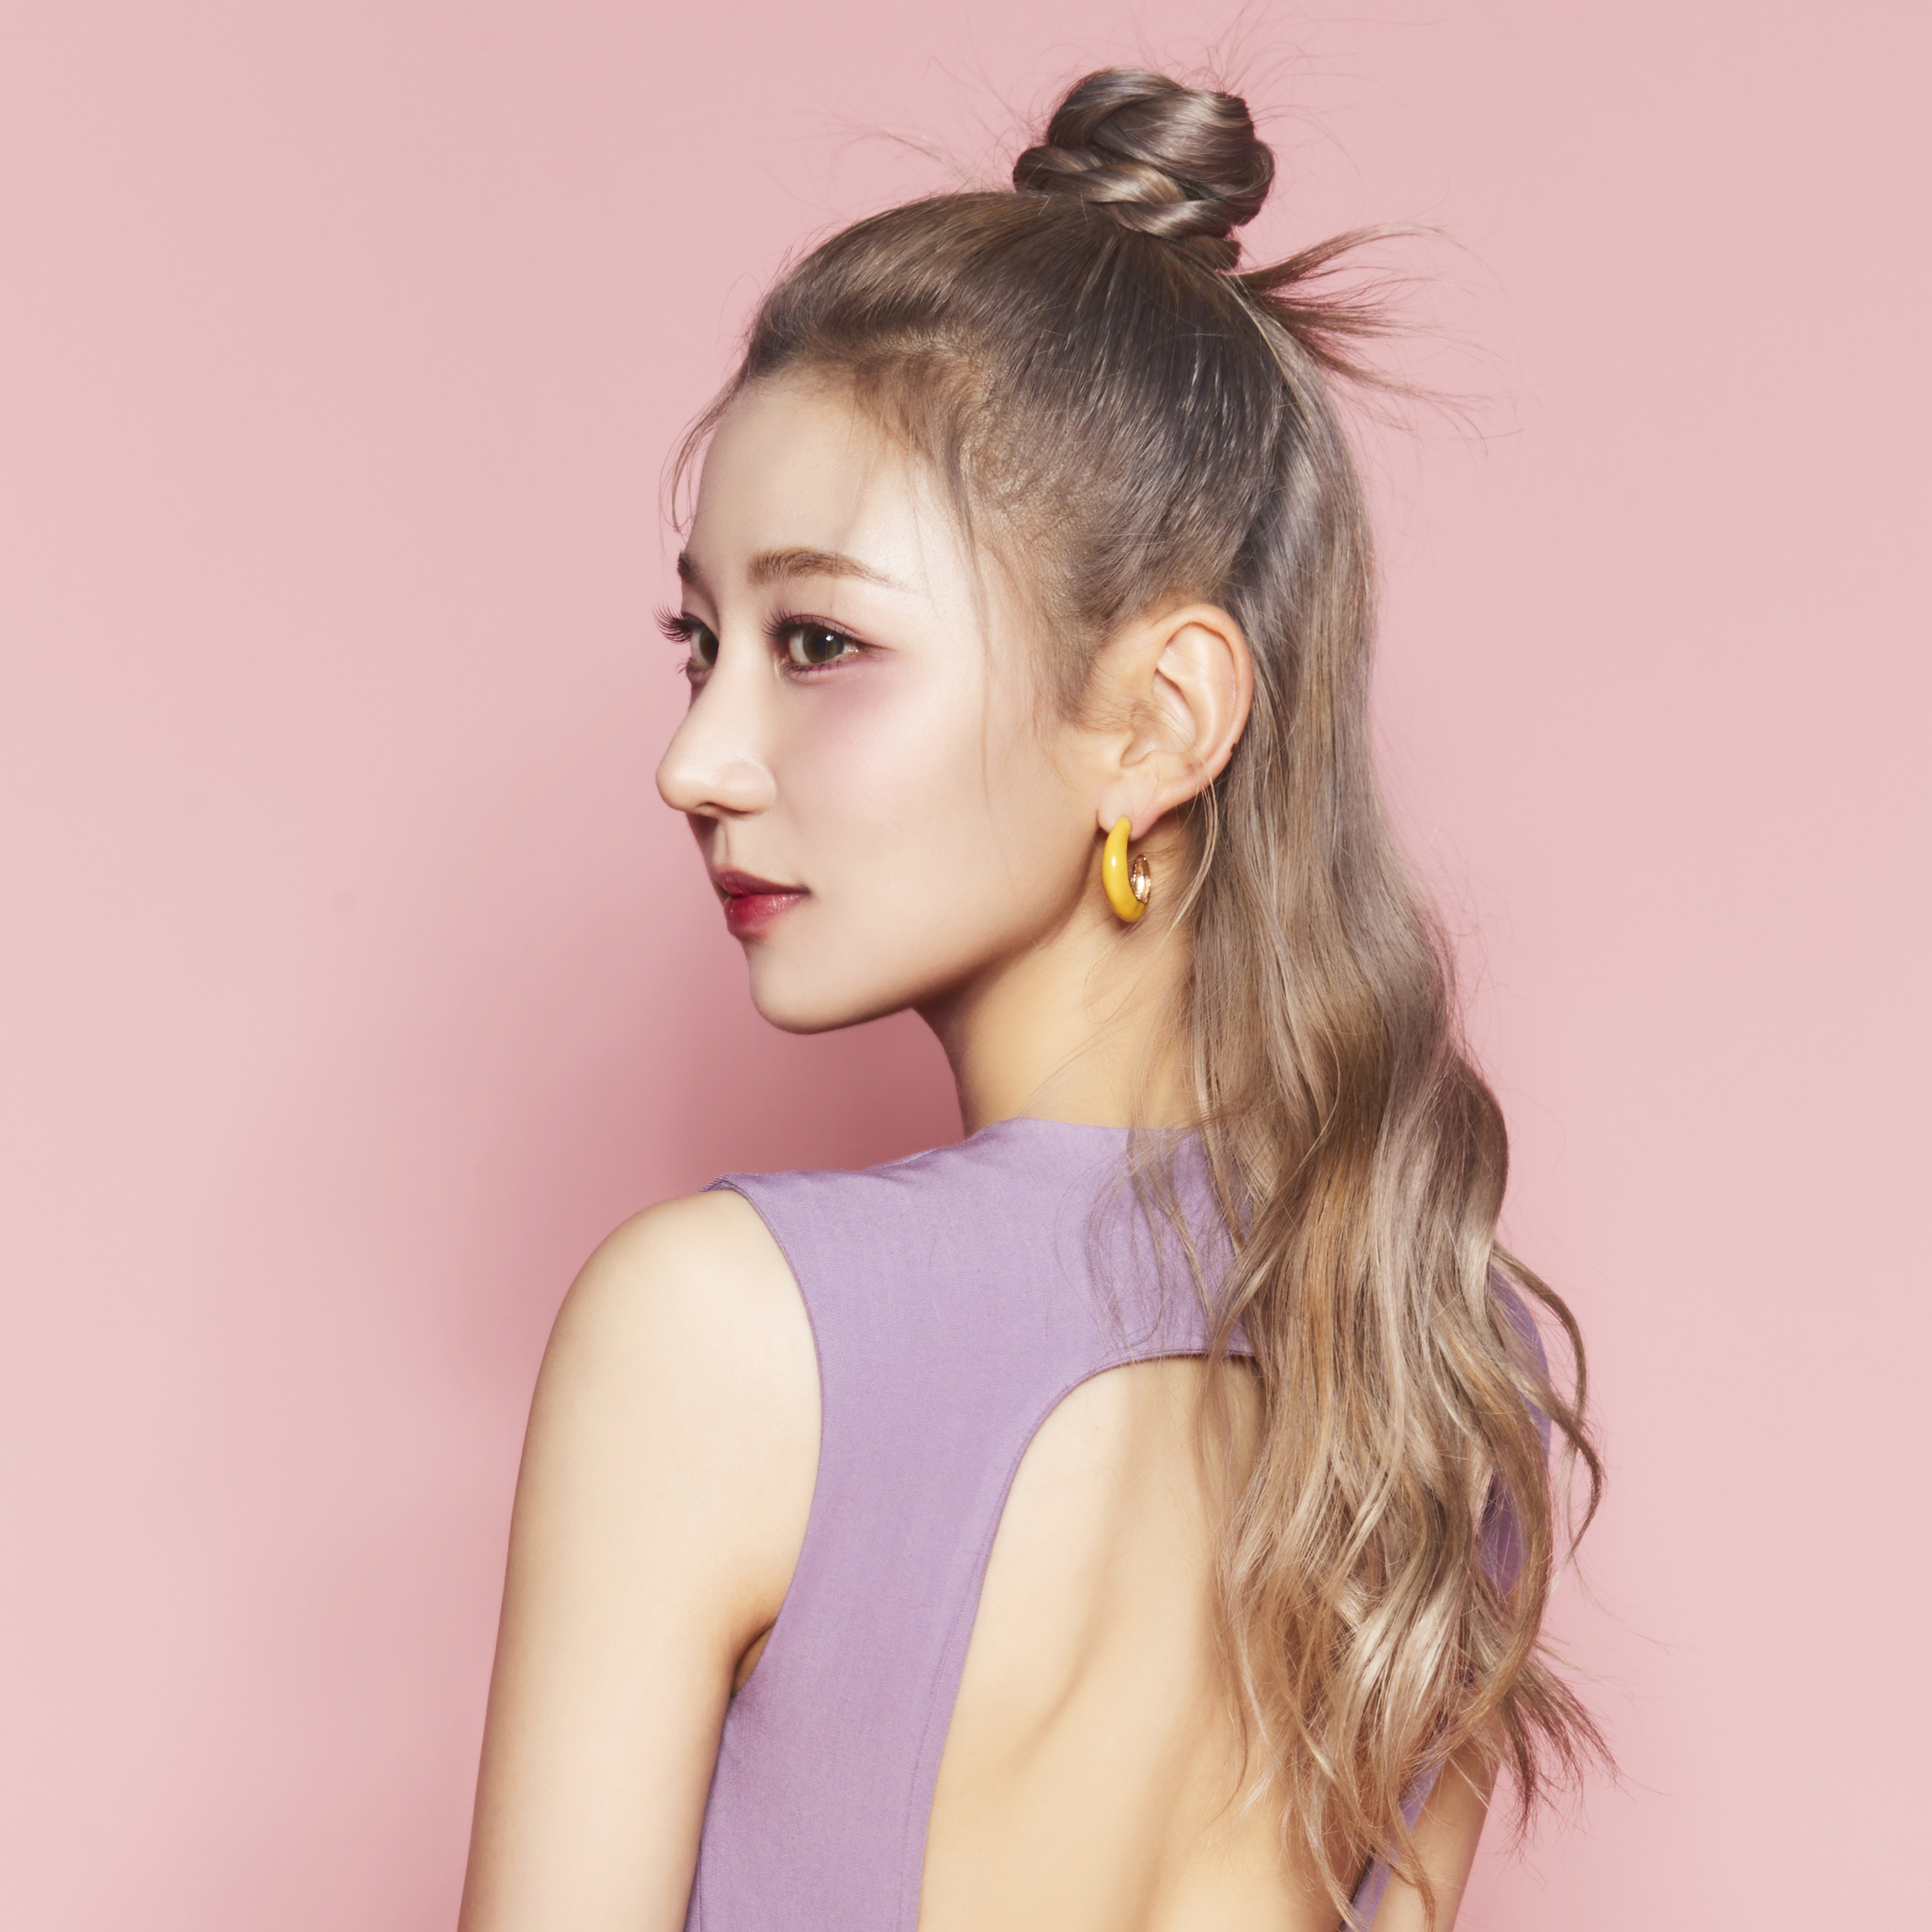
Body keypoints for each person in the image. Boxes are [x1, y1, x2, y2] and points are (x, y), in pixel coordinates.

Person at [458, 65, 1601, 1932]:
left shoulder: (724, 1332)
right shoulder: (1449, 1363)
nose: (696, 761)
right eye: (702, 643)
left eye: (819, 641)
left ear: (1156, 719)